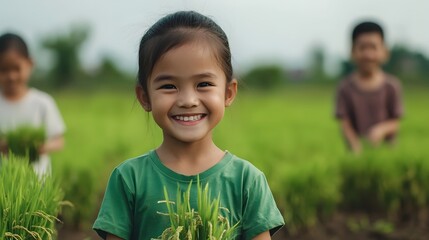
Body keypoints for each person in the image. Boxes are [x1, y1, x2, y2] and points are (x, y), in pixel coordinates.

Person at [93, 11, 284, 240]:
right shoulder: (129, 179)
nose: (187, 100)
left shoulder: (247, 181)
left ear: (228, 93)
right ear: (144, 97)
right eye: (169, 86)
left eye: (203, 84)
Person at [0, 33, 66, 175]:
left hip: (38, 183)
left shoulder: (43, 103)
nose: (11, 76)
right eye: (3, 70)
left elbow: (59, 141)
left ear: (30, 64)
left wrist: (40, 147)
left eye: (16, 68)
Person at [335, 21, 404, 154]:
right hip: (355, 155)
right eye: (362, 48)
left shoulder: (392, 86)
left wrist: (381, 130)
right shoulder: (345, 88)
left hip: (387, 154)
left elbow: (395, 122)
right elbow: (345, 124)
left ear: (384, 52)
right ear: (352, 52)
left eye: (373, 47)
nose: (368, 54)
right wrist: (355, 146)